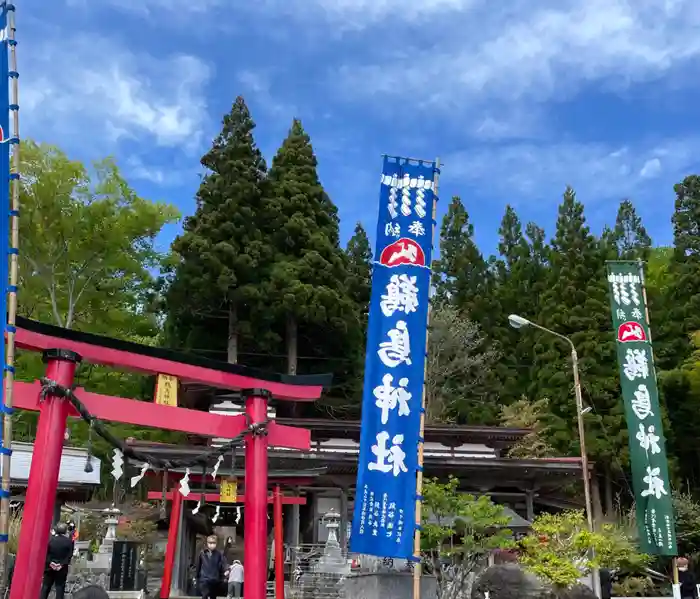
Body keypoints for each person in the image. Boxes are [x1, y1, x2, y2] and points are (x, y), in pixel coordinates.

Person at [40, 522, 74, 599]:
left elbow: (45, 553)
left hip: (49, 567)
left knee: (45, 587)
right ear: (65, 531)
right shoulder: (69, 542)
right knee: (60, 588)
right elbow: (69, 555)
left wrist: (50, 562)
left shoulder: (50, 540)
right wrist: (61, 564)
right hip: (62, 568)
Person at [196, 535, 228, 599]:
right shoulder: (202, 553)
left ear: (216, 544)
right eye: (210, 543)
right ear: (207, 543)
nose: (212, 545)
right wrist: (196, 576)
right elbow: (198, 565)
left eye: (213, 543)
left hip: (214, 579)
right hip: (204, 579)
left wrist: (226, 571)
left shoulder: (219, 554)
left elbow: (223, 563)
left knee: (213, 596)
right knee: (205, 595)